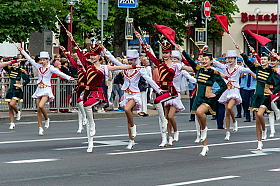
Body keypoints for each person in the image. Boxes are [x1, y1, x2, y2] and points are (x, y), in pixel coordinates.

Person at [135, 32, 192, 148]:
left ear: (170, 53)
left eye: (167, 53)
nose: (165, 55)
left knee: (168, 115)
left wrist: (183, 55)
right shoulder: (159, 63)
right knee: (164, 117)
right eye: (164, 52)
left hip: (172, 92)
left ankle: (175, 132)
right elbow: (148, 54)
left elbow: (191, 67)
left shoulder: (176, 65)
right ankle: (166, 138)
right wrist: (140, 40)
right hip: (162, 90)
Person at [103, 48, 163, 150]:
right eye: (128, 60)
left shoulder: (140, 69)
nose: (130, 62)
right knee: (128, 119)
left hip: (135, 94)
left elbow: (149, 79)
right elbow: (113, 60)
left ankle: (134, 127)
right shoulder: (125, 68)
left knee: (127, 109)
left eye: (132, 60)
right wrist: (104, 50)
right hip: (126, 94)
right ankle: (131, 140)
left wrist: (158, 89)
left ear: (136, 60)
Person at [177, 44, 227, 156]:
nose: (203, 61)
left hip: (208, 99)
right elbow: (189, 61)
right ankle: (205, 146)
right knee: (199, 119)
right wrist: (182, 51)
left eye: (206, 59)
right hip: (198, 98)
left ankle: (204, 130)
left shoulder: (214, 73)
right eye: (202, 59)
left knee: (200, 112)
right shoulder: (198, 69)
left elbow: (224, 86)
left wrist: (215, 94)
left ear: (210, 61)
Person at [18, 47, 75, 135]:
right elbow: (29, 59)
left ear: (47, 60)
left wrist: (69, 77)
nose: (43, 61)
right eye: (41, 60)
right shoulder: (38, 66)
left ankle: (46, 118)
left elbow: (60, 73)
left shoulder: (50, 68)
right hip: (39, 88)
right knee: (38, 109)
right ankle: (40, 127)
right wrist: (22, 51)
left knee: (41, 105)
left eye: (44, 60)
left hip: (47, 88)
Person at [236, 44, 280, 150]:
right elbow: (247, 61)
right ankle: (259, 142)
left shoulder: (271, 72)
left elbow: (279, 83)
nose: (263, 61)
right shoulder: (257, 69)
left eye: (265, 59)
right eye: (262, 59)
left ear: (269, 61)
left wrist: (273, 91)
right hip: (256, 96)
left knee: (260, 114)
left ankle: (264, 129)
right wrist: (241, 50)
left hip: (265, 97)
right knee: (257, 119)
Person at [212, 50, 252, 140]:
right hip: (226, 90)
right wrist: (205, 53)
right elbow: (215, 62)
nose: (230, 60)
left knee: (230, 108)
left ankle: (234, 121)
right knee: (227, 112)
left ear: (235, 59)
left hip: (234, 90)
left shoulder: (239, 68)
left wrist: (256, 65)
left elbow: (250, 69)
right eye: (228, 58)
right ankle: (227, 132)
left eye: (232, 58)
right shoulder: (224, 67)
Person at [60, 46, 88, 133]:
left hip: (87, 88)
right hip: (79, 87)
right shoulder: (78, 67)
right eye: (78, 60)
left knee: (83, 105)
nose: (78, 61)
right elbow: (70, 60)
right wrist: (64, 51)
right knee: (79, 106)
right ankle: (80, 126)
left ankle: (85, 118)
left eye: (80, 59)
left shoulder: (88, 68)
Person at [3, 59, 30, 129]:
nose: (14, 64)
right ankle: (12, 123)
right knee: (10, 108)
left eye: (16, 62)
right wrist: (9, 61)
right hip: (10, 90)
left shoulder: (21, 71)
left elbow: (27, 79)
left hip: (16, 90)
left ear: (19, 63)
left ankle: (17, 112)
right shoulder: (9, 69)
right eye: (13, 62)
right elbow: (3, 65)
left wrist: (21, 85)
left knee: (12, 104)